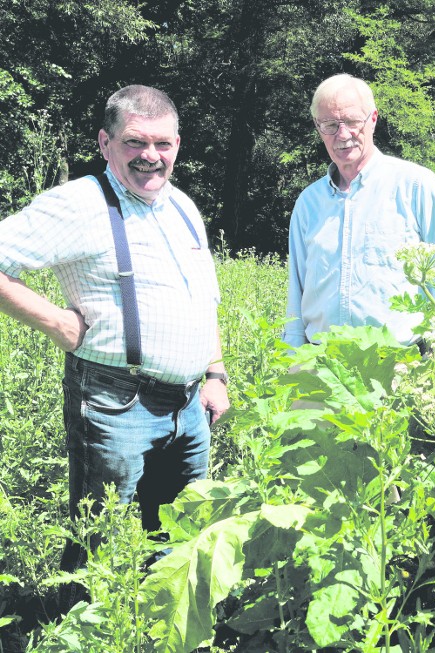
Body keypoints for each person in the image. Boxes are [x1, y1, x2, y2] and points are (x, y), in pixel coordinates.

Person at [0, 85, 229, 607]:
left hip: (190, 407)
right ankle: (78, 631)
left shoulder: (183, 206)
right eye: (135, 142)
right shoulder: (76, 204)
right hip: (114, 403)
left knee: (174, 536)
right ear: (105, 143)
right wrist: (58, 323)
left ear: (177, 144)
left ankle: (153, 628)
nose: (151, 155)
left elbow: (204, 299)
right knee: (96, 536)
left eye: (163, 143)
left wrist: (215, 372)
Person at [284, 73, 435, 349]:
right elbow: (296, 295)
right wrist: (293, 359)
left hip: (398, 364)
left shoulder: (415, 185)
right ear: (317, 127)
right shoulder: (308, 203)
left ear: (372, 119)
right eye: (330, 125)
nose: (342, 135)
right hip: (320, 367)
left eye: (353, 122)